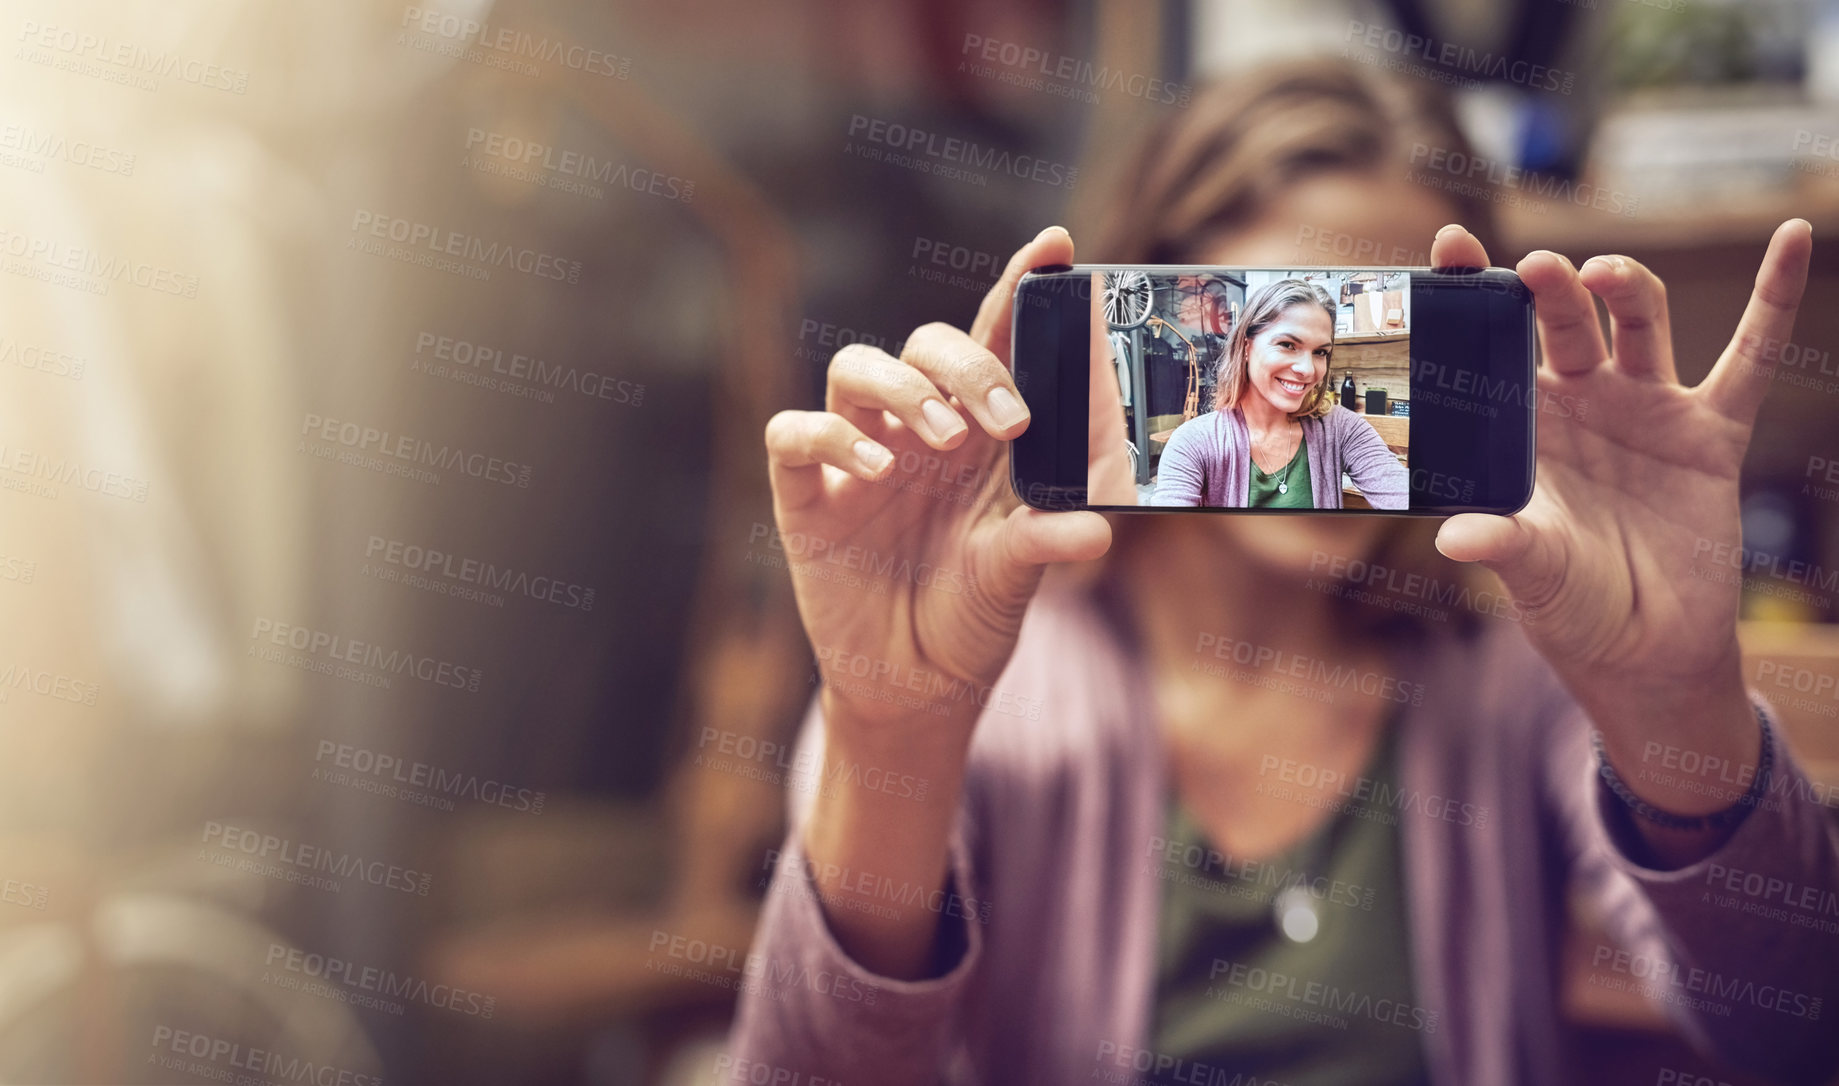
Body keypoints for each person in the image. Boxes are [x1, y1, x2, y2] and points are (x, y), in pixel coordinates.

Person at [735, 62, 1839, 1085]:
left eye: (1374, 348)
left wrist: (1682, 709)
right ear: (1161, 328)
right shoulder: (979, 680)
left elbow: (1802, 1027)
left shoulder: (1515, 681)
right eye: (1273, 339)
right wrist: (893, 732)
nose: (1316, 397)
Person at [1150, 277, 1408, 508]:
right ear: (1246, 346)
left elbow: (1403, 493)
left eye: (1320, 352)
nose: (1308, 370)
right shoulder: (1194, 442)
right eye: (1287, 345)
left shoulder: (1341, 428)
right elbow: (1167, 539)